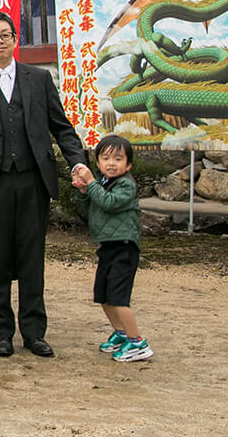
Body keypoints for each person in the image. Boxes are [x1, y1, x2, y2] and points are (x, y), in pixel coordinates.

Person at [0, 9, 89, 358]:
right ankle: (1, 332)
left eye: (5, 35)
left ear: (16, 39)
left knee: (32, 258)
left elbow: (61, 127)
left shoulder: (38, 79)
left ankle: (33, 331)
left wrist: (78, 162)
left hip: (32, 180)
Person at [72, 135, 152, 362]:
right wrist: (84, 192)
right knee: (103, 296)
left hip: (124, 248)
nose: (111, 163)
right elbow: (88, 212)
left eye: (118, 159)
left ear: (128, 165)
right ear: (97, 162)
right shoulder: (102, 183)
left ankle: (138, 342)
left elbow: (109, 203)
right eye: (105, 158)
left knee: (118, 298)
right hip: (107, 247)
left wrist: (92, 183)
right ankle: (121, 333)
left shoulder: (126, 184)